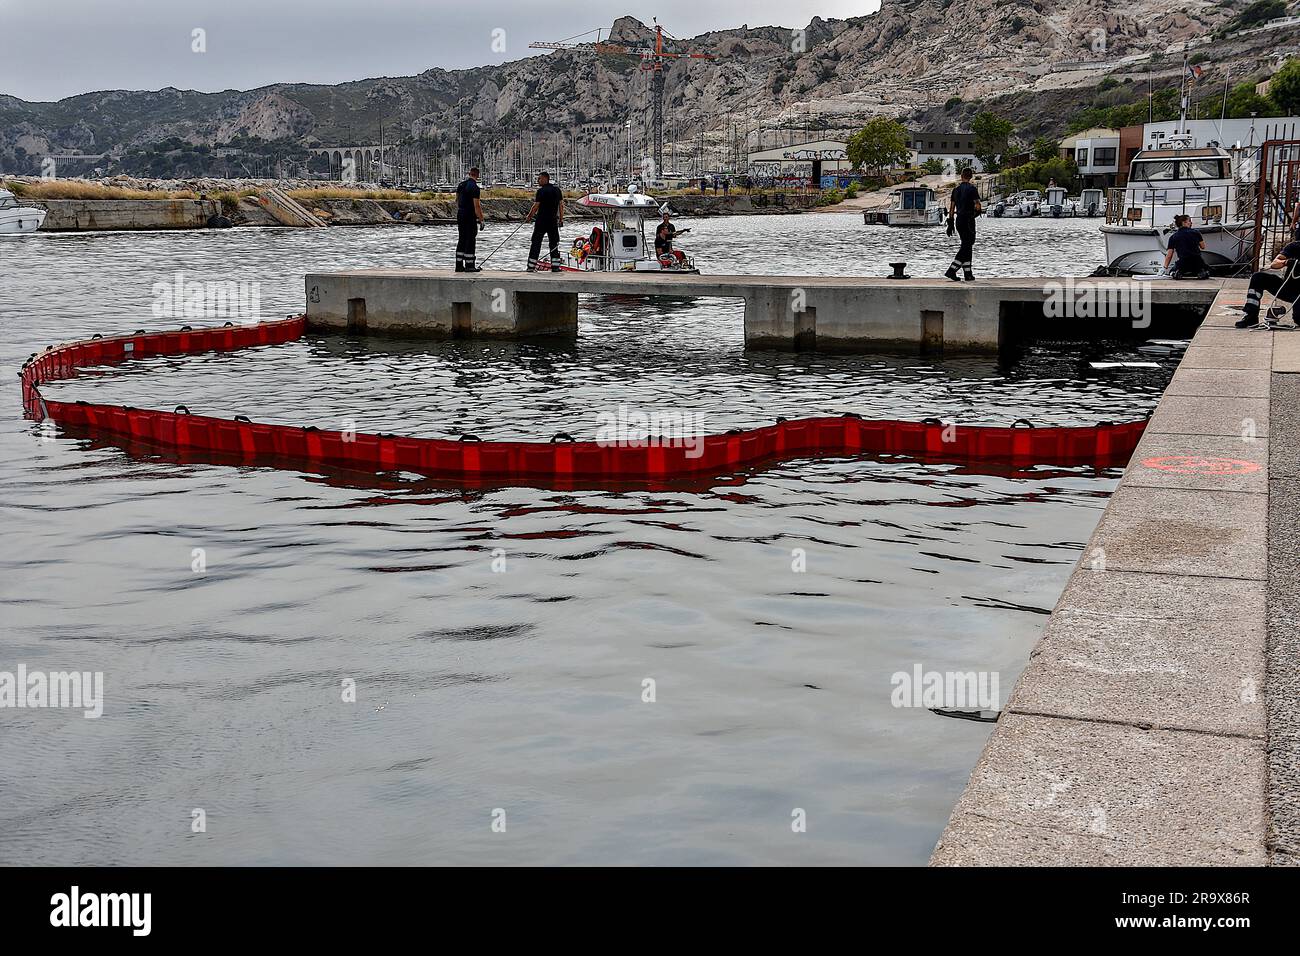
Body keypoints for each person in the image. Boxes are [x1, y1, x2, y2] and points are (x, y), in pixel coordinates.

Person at [1235, 238, 1300, 328]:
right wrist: (1286, 262)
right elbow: (1274, 264)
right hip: (1289, 288)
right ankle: (1251, 316)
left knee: (1298, 318)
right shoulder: (1294, 246)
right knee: (1258, 278)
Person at [944, 167, 981, 281]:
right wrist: (975, 214)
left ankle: (968, 273)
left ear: (961, 176)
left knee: (966, 245)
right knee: (967, 245)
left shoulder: (956, 190)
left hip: (958, 220)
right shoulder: (972, 189)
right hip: (968, 220)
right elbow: (978, 206)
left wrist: (950, 223)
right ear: (971, 176)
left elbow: (951, 208)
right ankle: (952, 269)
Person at [525, 171, 564, 272]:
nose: (538, 180)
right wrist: (561, 219)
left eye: (539, 178)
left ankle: (531, 266)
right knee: (554, 243)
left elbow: (535, 206)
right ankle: (555, 267)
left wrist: (529, 217)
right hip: (552, 221)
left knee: (536, 243)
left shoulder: (541, 191)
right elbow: (561, 206)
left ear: (545, 179)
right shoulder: (557, 190)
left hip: (541, 221)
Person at [455, 167, 484, 272]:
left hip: (460, 215)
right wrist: (481, 220)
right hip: (470, 216)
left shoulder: (461, 185)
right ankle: (469, 265)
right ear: (477, 175)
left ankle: (459, 265)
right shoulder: (475, 188)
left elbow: (457, 200)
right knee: (470, 239)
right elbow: (477, 206)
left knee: (461, 239)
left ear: (469, 174)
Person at [1162, 214, 1210, 279]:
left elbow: (1169, 255)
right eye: (1189, 221)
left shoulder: (1173, 237)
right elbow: (1203, 246)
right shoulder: (1196, 232)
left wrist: (1165, 267)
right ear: (1183, 223)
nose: (1191, 223)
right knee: (1205, 268)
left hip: (1183, 262)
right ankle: (1201, 272)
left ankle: (1177, 273)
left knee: (1172, 270)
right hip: (1197, 261)